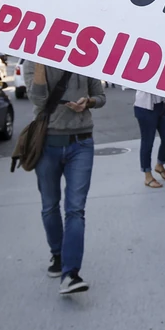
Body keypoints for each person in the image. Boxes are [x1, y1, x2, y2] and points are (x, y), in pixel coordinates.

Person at [24, 62, 106, 295]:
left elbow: (101, 97)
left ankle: (71, 273)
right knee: (49, 206)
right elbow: (39, 100)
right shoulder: (32, 62)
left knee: (75, 209)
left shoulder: (85, 60)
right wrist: (39, 62)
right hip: (46, 144)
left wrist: (88, 102)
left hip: (81, 143)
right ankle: (58, 255)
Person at [134, 91, 165, 188]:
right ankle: (147, 175)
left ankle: (160, 165)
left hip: (163, 104)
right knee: (147, 141)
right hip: (145, 107)